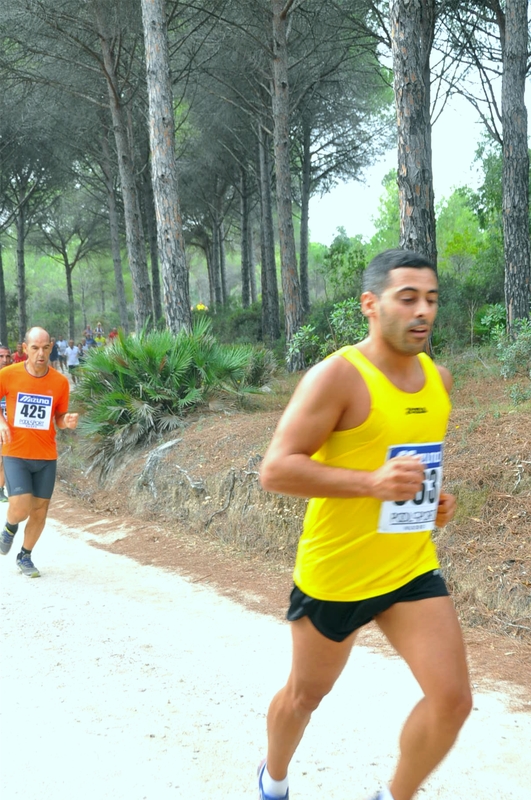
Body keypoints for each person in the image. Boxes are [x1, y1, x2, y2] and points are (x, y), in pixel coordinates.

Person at [258, 249, 472, 800]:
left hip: (407, 567)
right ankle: (272, 781)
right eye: (408, 299)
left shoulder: (437, 380)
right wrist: (371, 484)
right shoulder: (336, 377)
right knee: (305, 696)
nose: (422, 311)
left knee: (452, 700)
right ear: (370, 306)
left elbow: (408, 468)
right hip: (337, 572)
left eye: (431, 299)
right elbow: (276, 470)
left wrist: (433, 502)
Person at [0, 327, 78, 577]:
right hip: (15, 452)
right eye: (35, 348)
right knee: (21, 507)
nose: (40, 353)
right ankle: (10, 528)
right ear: (25, 349)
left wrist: (68, 421)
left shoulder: (59, 382)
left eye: (45, 347)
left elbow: (59, 418)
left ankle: (25, 556)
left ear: (52, 346)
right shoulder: (8, 375)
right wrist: (1, 422)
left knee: (40, 510)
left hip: (46, 456)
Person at [0, 344, 12, 503]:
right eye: (1, 356)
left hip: (6, 426)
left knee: (3, 459)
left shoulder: (12, 377)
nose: (5, 360)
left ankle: (0, 489)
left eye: (7, 356)